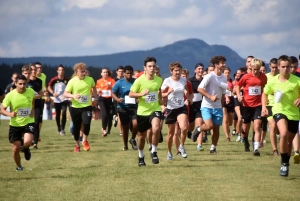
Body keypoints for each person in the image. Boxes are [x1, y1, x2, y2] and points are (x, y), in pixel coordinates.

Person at [262, 55, 300, 176]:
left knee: (288, 142)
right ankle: (283, 164)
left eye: (288, 67)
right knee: (283, 133)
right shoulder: (273, 81)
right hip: (279, 110)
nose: (285, 69)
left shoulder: (297, 80)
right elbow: (265, 93)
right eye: (283, 67)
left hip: (294, 113)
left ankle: (286, 163)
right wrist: (264, 107)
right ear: (278, 67)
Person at [129, 56, 163, 166]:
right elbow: (131, 94)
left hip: (155, 109)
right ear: (145, 68)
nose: (152, 68)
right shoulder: (139, 81)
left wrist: (161, 100)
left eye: (153, 66)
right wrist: (141, 94)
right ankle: (141, 156)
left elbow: (159, 91)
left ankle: (153, 151)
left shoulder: (159, 80)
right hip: (142, 112)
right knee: (141, 137)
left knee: (156, 128)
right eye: (149, 66)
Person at [1, 75, 35, 171]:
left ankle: (26, 148)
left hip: (28, 121)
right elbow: (2, 110)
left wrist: (32, 111)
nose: (22, 86)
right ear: (15, 83)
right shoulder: (10, 95)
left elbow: (32, 102)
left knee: (28, 141)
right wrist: (9, 114)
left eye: (24, 84)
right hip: (15, 124)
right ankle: (19, 167)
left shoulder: (31, 92)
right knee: (15, 149)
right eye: (20, 84)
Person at [63, 62, 97, 152]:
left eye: (84, 71)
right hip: (75, 107)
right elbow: (65, 93)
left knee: (86, 123)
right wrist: (73, 96)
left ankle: (85, 141)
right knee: (76, 127)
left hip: (87, 106)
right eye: (81, 72)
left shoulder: (90, 79)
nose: (84, 73)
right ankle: (77, 145)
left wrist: (94, 96)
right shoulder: (72, 81)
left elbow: (94, 87)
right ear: (77, 72)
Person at [236, 58, 267, 156]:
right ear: (251, 67)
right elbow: (237, 85)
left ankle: (256, 149)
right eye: (254, 69)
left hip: (258, 105)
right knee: (245, 128)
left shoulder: (263, 77)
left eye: (258, 69)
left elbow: (264, 90)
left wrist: (264, 105)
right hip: (246, 105)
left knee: (257, 126)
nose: (256, 71)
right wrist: (239, 95)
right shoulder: (246, 77)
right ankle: (245, 142)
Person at [197, 56, 227, 153]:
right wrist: (210, 97)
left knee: (216, 129)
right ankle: (198, 129)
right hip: (207, 106)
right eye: (222, 63)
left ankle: (213, 148)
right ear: (216, 65)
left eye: (224, 63)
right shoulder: (209, 76)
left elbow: (223, 93)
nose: (224, 65)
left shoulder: (224, 78)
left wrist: (222, 105)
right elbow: (199, 89)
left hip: (218, 107)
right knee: (209, 126)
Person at [162, 62, 190, 160]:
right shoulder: (167, 81)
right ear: (171, 71)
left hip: (181, 107)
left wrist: (188, 95)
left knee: (184, 127)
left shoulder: (183, 80)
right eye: (175, 71)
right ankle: (169, 152)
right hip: (171, 109)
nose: (178, 72)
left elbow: (186, 89)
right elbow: (161, 95)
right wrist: (168, 93)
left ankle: (181, 146)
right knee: (170, 134)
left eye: (179, 70)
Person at [112, 65, 138, 150]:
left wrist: (138, 98)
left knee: (136, 124)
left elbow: (140, 92)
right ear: (123, 73)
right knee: (125, 127)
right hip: (122, 107)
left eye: (130, 73)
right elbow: (113, 93)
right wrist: (117, 99)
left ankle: (133, 138)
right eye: (127, 73)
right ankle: (125, 145)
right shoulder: (119, 83)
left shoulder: (136, 81)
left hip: (134, 107)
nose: (129, 75)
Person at [47, 64, 70, 136]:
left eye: (62, 70)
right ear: (57, 71)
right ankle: (58, 128)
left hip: (64, 99)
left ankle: (62, 129)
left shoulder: (67, 79)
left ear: (64, 71)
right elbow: (49, 87)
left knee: (63, 113)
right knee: (57, 115)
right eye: (59, 70)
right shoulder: (54, 79)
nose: (61, 72)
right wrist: (53, 93)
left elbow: (71, 88)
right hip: (57, 99)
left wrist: (69, 95)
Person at [265, 58, 279, 155]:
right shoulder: (265, 77)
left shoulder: (281, 77)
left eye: (276, 67)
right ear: (269, 67)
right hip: (269, 105)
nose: (274, 69)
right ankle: (275, 150)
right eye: (272, 67)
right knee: (273, 126)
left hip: (280, 105)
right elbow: (262, 91)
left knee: (280, 128)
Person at [189, 63, 205, 150]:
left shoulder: (205, 80)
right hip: (191, 106)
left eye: (202, 69)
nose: (201, 70)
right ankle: (189, 132)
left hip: (200, 106)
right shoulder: (190, 80)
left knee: (199, 124)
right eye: (199, 69)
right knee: (191, 127)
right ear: (195, 70)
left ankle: (199, 145)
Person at [96, 68, 116, 136]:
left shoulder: (112, 80)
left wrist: (110, 86)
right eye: (104, 72)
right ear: (101, 74)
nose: (105, 73)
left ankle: (108, 130)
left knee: (110, 115)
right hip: (102, 99)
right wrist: (98, 90)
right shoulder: (99, 81)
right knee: (104, 114)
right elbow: (96, 89)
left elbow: (115, 89)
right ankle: (104, 129)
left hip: (109, 99)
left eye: (106, 72)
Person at [290, 56, 300, 164]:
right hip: (288, 109)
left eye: (295, 67)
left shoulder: (299, 77)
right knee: (295, 130)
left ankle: (296, 151)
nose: (292, 69)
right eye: (291, 67)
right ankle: (296, 152)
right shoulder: (282, 78)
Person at [222, 67, 234, 142]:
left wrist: (232, 91)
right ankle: (227, 137)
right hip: (223, 101)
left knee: (230, 122)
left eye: (228, 73)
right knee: (225, 119)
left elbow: (234, 91)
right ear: (223, 73)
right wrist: (226, 97)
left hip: (231, 101)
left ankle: (228, 127)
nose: (227, 74)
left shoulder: (232, 82)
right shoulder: (221, 82)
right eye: (225, 73)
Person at [35, 62, 46, 136]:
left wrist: (46, 91)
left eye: (40, 68)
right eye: (37, 68)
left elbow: (44, 85)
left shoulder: (44, 76)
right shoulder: (31, 77)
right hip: (31, 99)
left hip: (41, 98)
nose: (39, 69)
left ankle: (37, 134)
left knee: (40, 118)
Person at [113, 66, 124, 135]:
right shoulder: (114, 80)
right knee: (120, 115)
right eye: (119, 71)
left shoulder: (125, 80)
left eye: (122, 71)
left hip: (124, 100)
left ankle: (116, 118)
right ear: (117, 72)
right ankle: (121, 132)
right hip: (116, 99)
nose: (121, 73)